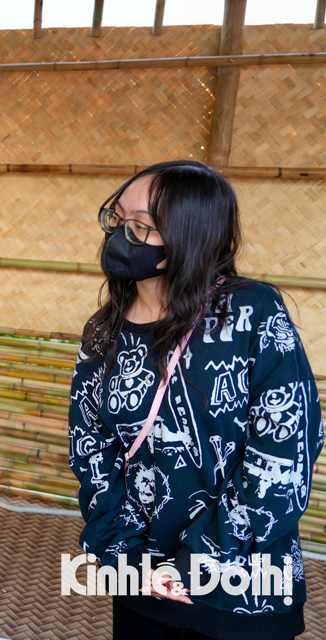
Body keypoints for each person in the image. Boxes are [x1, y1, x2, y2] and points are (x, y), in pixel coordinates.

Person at [68, 160, 323, 640]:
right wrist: (124, 554)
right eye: (118, 219)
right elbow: (89, 446)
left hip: (243, 592)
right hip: (143, 584)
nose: (121, 236)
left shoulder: (251, 314)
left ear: (190, 238)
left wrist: (200, 560)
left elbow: (285, 455)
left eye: (141, 227)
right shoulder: (103, 331)